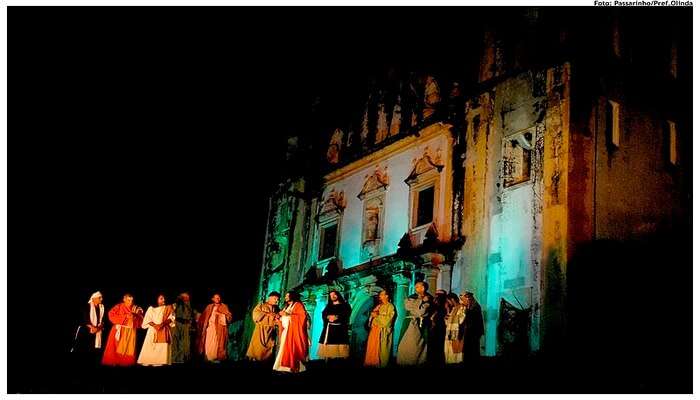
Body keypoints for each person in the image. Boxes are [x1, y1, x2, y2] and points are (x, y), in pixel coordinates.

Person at [101, 293, 144, 366]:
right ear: (124, 299)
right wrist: (125, 316)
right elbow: (111, 315)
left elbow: (141, 319)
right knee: (115, 346)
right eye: (128, 300)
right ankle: (113, 361)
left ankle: (126, 362)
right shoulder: (119, 306)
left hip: (130, 331)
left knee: (128, 348)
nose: (130, 302)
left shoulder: (136, 308)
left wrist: (135, 316)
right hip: (119, 329)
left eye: (132, 300)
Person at [397, 281, 432, 366]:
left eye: (417, 287)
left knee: (417, 346)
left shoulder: (429, 298)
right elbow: (407, 306)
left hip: (420, 324)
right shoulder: (412, 297)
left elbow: (420, 312)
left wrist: (418, 305)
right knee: (404, 345)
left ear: (423, 288)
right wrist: (420, 301)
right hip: (409, 323)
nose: (415, 288)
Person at [272, 291, 309, 373]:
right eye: (285, 296)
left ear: (292, 296)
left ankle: (291, 367)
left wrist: (288, 315)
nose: (285, 297)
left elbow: (302, 317)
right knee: (283, 349)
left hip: (293, 331)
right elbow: (284, 317)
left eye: (287, 296)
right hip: (286, 331)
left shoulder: (298, 305)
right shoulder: (286, 307)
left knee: (292, 348)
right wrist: (279, 318)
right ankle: (283, 367)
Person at [137, 294, 176, 366]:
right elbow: (147, 319)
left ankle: (160, 362)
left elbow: (172, 318)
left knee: (161, 348)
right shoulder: (151, 309)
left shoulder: (169, 308)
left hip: (163, 329)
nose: (163, 300)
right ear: (156, 300)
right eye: (161, 298)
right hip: (153, 330)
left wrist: (161, 325)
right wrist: (155, 326)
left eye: (164, 298)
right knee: (151, 347)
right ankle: (149, 361)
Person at [363, 289, 396, 368]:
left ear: (387, 296)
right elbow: (371, 319)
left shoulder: (390, 306)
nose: (380, 296)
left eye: (382, 294)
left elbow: (388, 321)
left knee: (382, 352)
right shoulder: (378, 306)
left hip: (382, 332)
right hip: (374, 331)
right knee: (371, 351)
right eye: (380, 295)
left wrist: (377, 316)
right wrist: (372, 316)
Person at [72, 291, 105, 365]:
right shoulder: (87, 306)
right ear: (94, 298)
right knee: (81, 347)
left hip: (96, 331)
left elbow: (103, 320)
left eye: (101, 297)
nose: (102, 299)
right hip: (85, 331)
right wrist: (92, 327)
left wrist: (98, 328)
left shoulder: (102, 307)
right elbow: (84, 319)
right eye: (100, 297)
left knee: (93, 349)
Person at [246, 291, 281, 362]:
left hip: (270, 332)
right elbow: (255, 315)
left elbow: (279, 317)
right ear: (270, 298)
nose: (276, 301)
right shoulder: (261, 305)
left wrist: (277, 316)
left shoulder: (277, 308)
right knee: (257, 349)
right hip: (260, 330)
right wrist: (269, 314)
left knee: (268, 352)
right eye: (275, 299)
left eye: (277, 300)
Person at [317, 290, 351, 363]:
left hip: (340, 330)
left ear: (338, 295)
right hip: (329, 330)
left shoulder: (345, 305)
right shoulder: (328, 306)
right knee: (329, 353)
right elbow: (324, 314)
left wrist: (337, 317)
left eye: (334, 294)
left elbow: (346, 314)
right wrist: (328, 317)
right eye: (331, 295)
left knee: (340, 353)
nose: (333, 296)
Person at [197, 293, 233, 363]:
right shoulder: (209, 307)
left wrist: (220, 315)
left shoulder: (224, 306)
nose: (218, 299)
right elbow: (203, 317)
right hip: (209, 328)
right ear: (213, 299)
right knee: (208, 342)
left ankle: (215, 357)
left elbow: (229, 317)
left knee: (217, 343)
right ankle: (208, 357)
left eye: (219, 298)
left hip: (219, 329)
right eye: (216, 298)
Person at [171, 292, 197, 364]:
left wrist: (192, 322)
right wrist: (173, 324)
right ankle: (175, 359)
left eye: (187, 297)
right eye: (185, 297)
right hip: (177, 324)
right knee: (176, 341)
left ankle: (183, 358)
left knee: (185, 342)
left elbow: (193, 314)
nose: (187, 298)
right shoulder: (176, 304)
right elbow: (172, 313)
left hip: (186, 325)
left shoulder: (190, 306)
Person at [461, 292, 484, 365]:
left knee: (473, 348)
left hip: (474, 331)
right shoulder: (470, 306)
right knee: (468, 347)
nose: (463, 301)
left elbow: (472, 318)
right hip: (469, 330)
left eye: (464, 299)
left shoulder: (475, 307)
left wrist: (466, 309)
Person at [444, 292, 466, 364]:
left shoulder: (462, 307)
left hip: (457, 333)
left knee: (456, 353)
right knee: (449, 351)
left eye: (448, 301)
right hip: (450, 334)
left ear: (452, 299)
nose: (448, 303)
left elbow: (461, 320)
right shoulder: (453, 309)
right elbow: (447, 322)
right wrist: (448, 311)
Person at [428, 289, 448, 365]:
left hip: (440, 326)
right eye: (436, 294)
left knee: (439, 344)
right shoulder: (434, 303)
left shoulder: (445, 303)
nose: (437, 296)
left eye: (439, 295)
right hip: (434, 327)